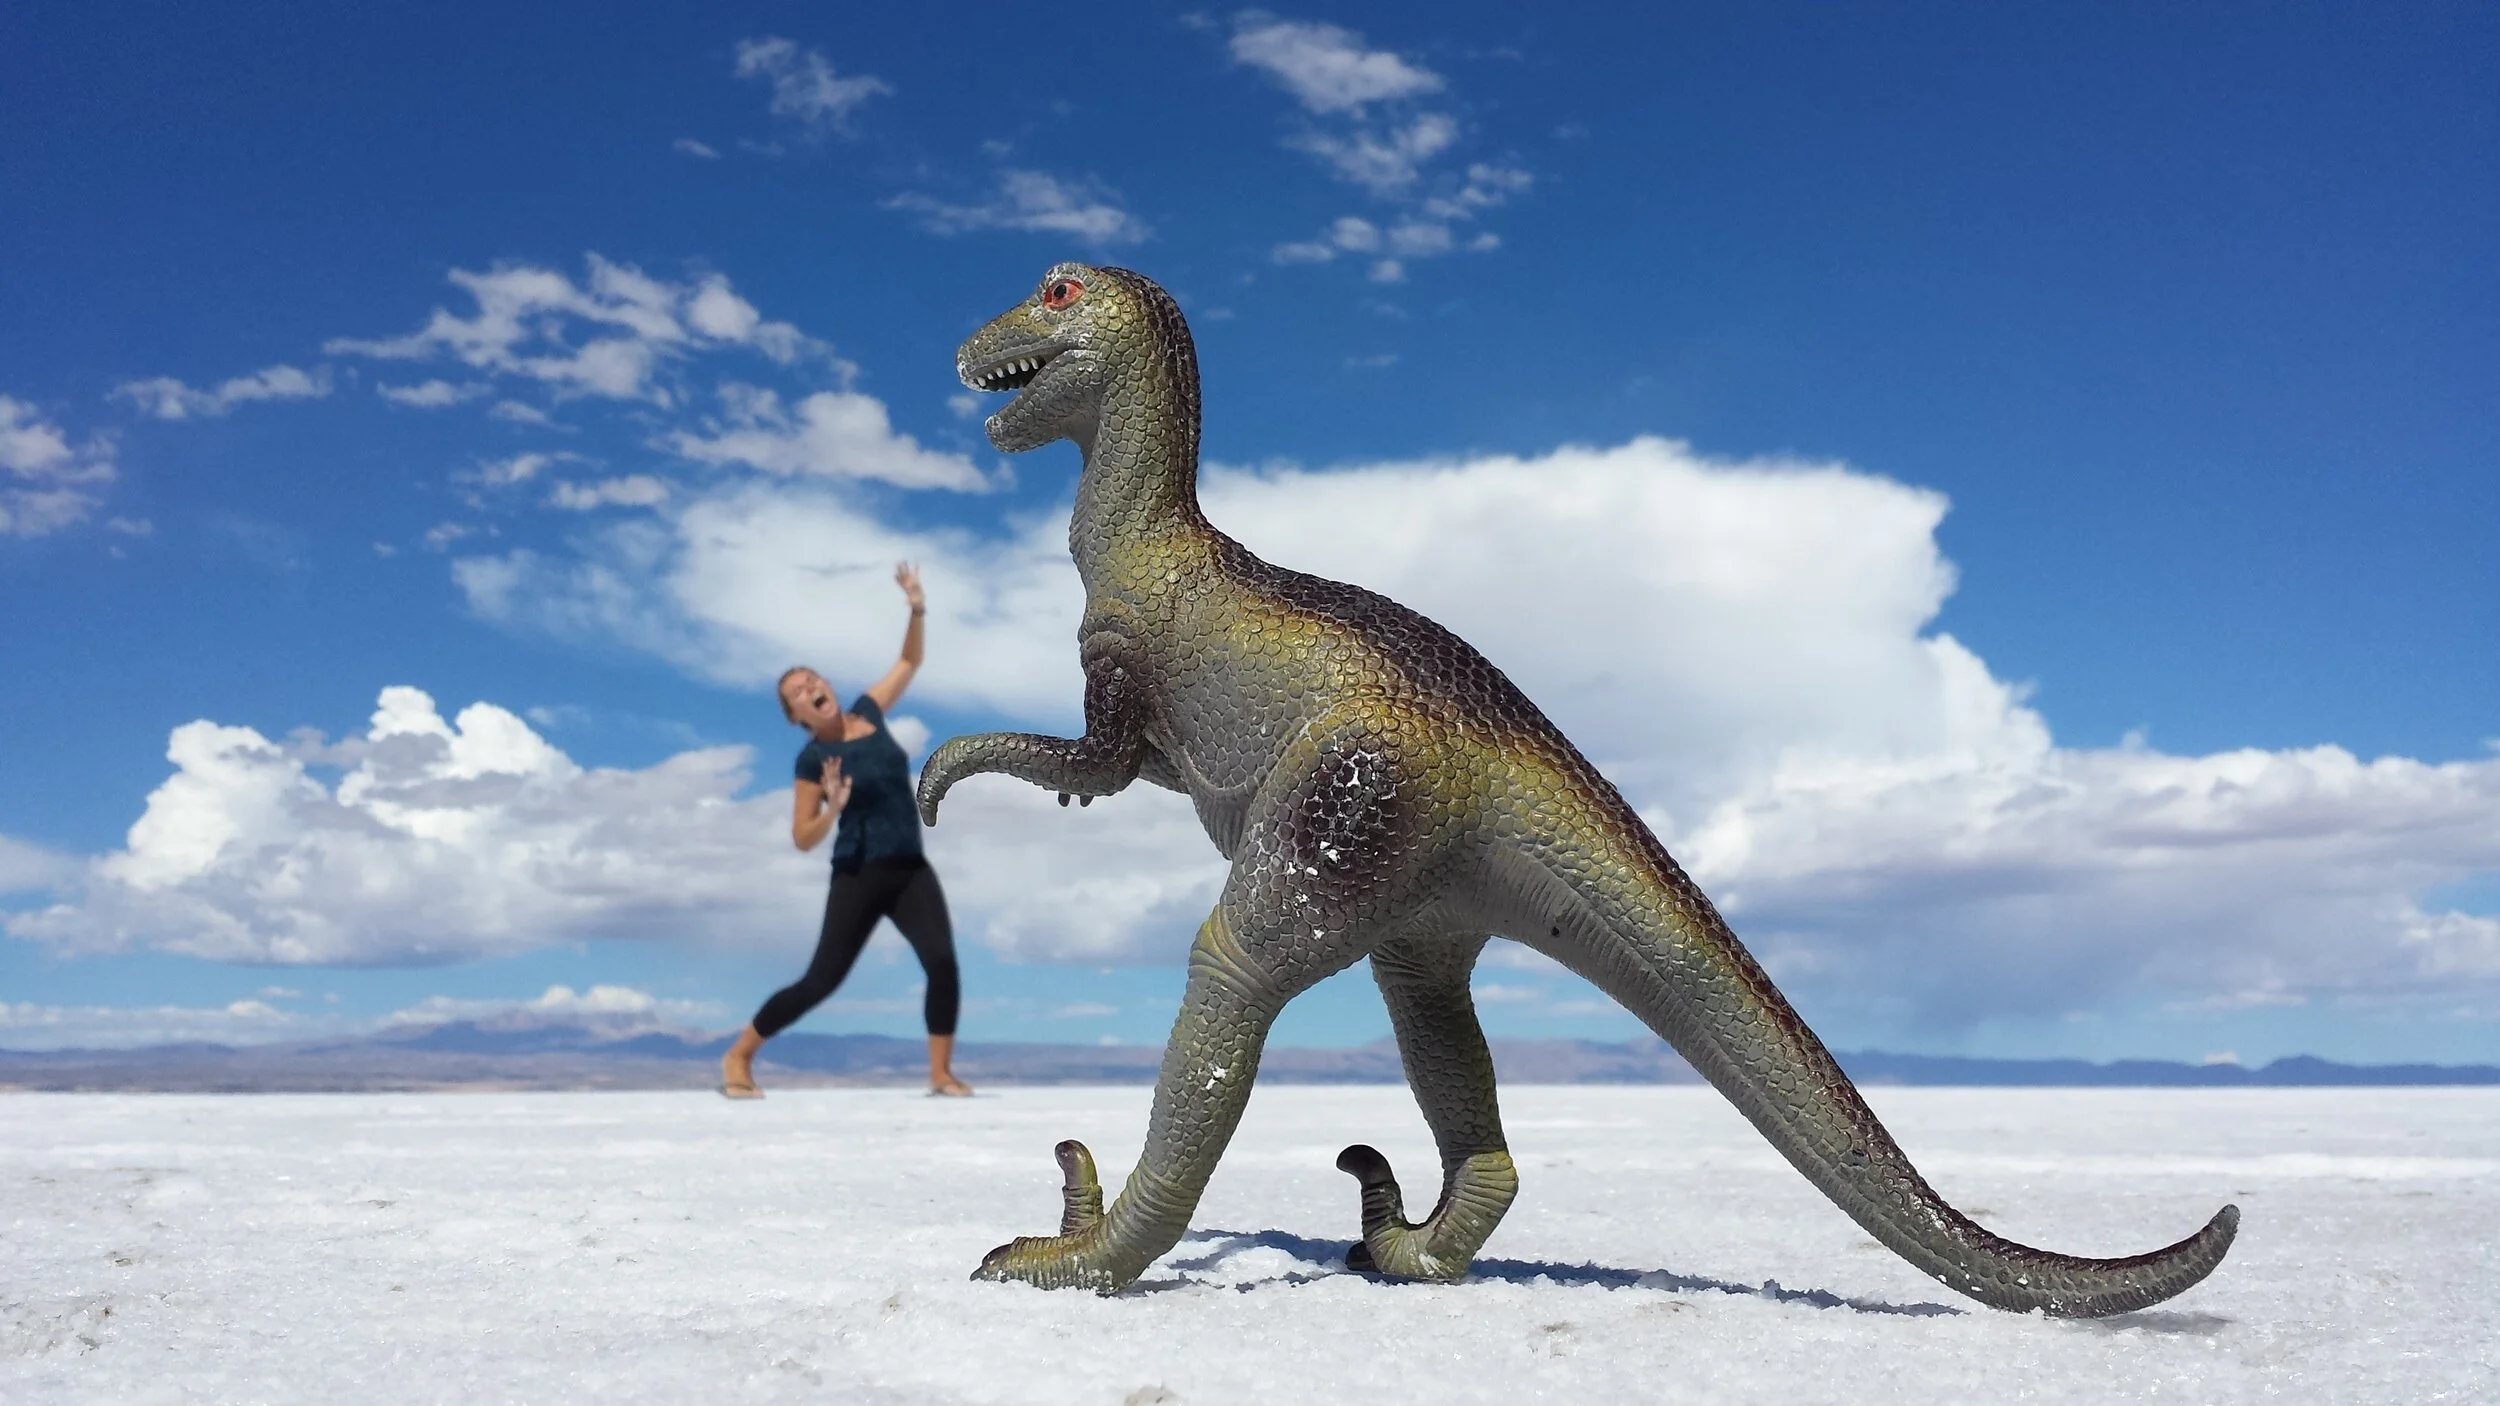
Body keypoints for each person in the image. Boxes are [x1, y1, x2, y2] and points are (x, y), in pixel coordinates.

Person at [720, 562, 973, 1099]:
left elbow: (909, 660)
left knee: (943, 965)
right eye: (797, 690)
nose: (810, 686)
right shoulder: (812, 759)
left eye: (812, 679)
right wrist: (833, 807)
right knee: (822, 981)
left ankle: (940, 1074)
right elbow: (802, 837)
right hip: (858, 873)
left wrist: (917, 606)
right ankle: (738, 1056)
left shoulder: (869, 713)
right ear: (796, 716)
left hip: (909, 868)